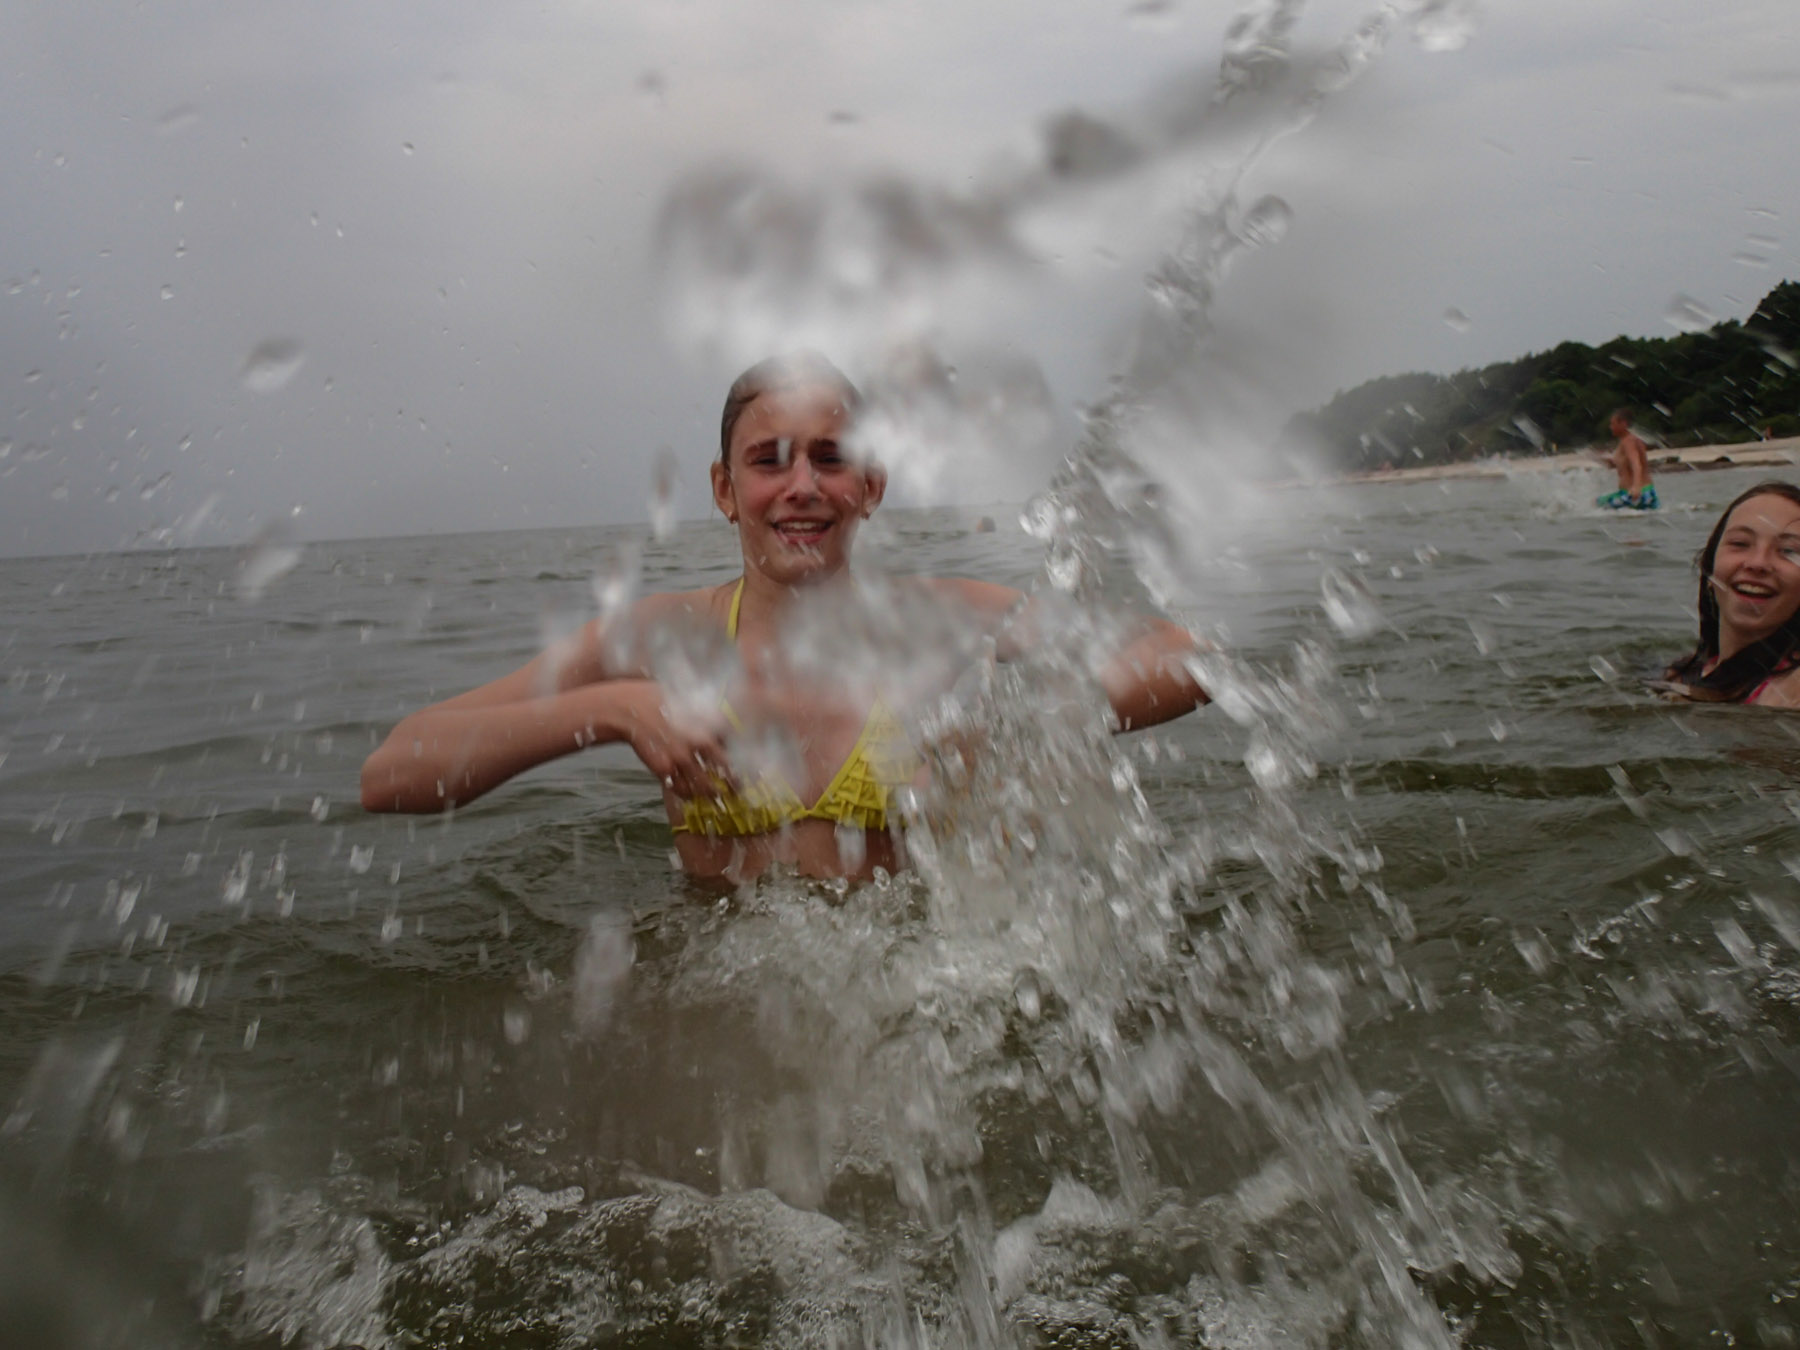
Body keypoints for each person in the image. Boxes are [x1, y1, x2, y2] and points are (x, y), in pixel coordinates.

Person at [360, 353, 1209, 880]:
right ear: (725, 489)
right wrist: (611, 711)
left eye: (831, 459)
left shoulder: (940, 621)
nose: (802, 485)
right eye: (768, 461)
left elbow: (1184, 653)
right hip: (717, 1012)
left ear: (870, 488)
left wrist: (1011, 730)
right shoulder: (663, 641)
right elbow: (392, 770)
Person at [1661, 481, 1800, 705]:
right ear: (1710, 570)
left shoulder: (1790, 694)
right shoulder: (1680, 674)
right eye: (1740, 543)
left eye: (1788, 551)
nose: (1758, 563)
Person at [1595, 407, 1658, 511]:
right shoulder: (1628, 440)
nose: (1610, 427)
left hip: (1635, 494)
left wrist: (1636, 487)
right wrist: (1596, 458)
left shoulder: (1629, 441)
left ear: (1623, 424)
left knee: (1596, 504)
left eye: (1613, 424)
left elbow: (1636, 464)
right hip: (1646, 493)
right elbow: (1620, 465)